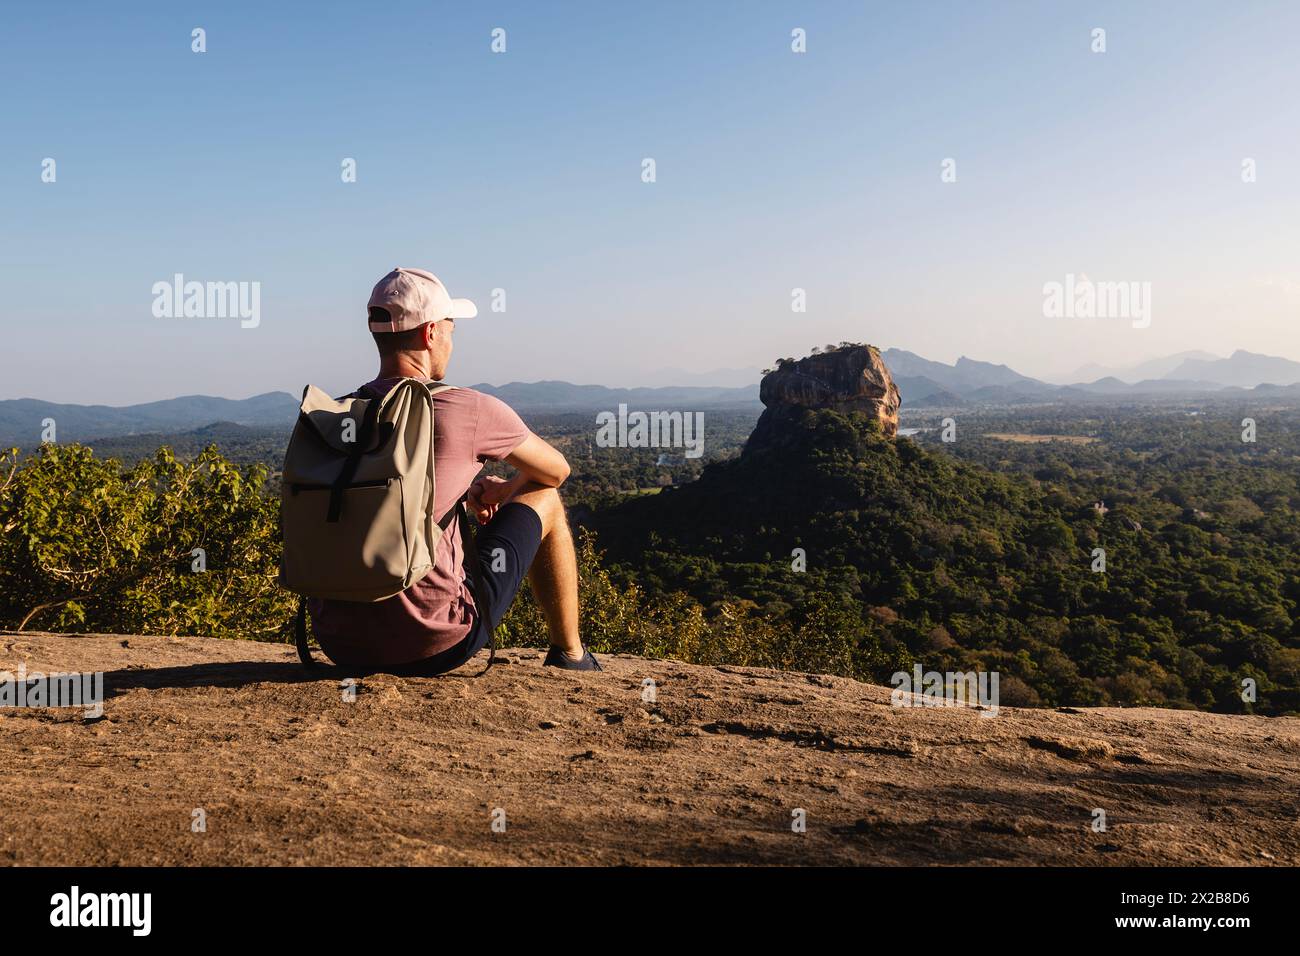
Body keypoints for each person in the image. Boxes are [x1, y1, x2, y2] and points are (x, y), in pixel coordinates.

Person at [308, 267, 601, 674]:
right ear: (430, 334)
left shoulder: (333, 414)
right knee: (545, 498)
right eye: (450, 327)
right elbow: (555, 471)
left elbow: (385, 493)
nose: (451, 338)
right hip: (431, 642)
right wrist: (505, 490)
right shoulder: (465, 408)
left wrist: (464, 492)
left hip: (338, 642)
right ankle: (571, 655)